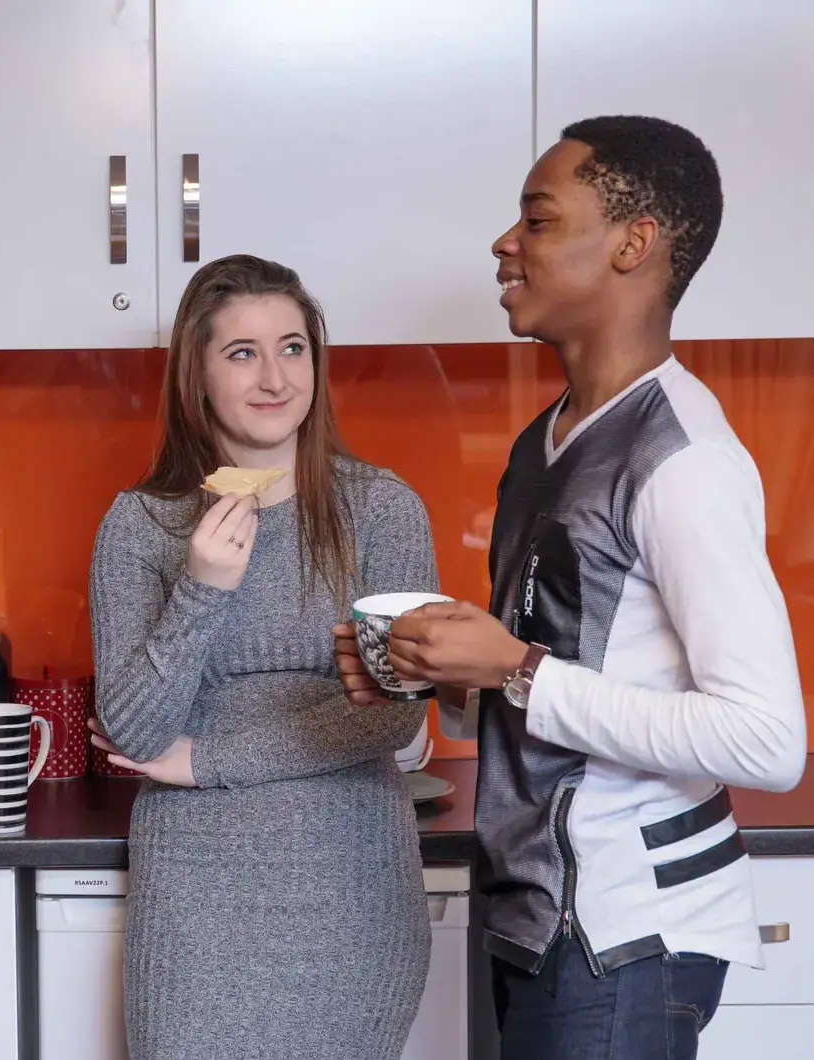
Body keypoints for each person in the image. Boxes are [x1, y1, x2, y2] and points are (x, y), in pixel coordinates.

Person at [346, 115, 806, 1060]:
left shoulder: (684, 459)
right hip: (537, 916)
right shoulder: (546, 442)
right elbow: (566, 663)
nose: (504, 244)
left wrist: (513, 668)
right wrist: (445, 675)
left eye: (539, 220)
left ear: (634, 244)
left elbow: (766, 741)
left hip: (624, 936)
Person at [87, 253, 439, 1059]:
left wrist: (209, 759)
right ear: (197, 375)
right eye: (242, 353)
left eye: (292, 348)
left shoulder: (383, 511)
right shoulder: (140, 525)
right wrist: (202, 588)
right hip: (196, 902)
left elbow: (391, 718)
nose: (274, 377)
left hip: (353, 892)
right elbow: (136, 732)